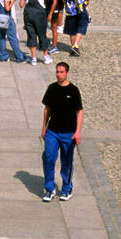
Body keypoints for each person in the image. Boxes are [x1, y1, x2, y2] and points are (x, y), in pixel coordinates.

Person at [41, 62, 83, 201]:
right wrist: (44, 128)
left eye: (61, 72)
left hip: (68, 133)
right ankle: (49, 189)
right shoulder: (52, 88)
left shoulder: (73, 90)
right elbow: (47, 109)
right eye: (57, 72)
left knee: (66, 161)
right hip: (52, 131)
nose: (59, 74)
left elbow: (79, 111)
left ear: (67, 73)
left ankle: (66, 188)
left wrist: (77, 132)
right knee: (48, 158)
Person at [19, 0, 52, 64]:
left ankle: (34, 58)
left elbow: (21, 5)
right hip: (40, 15)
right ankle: (45, 56)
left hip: (29, 15)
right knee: (42, 35)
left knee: (31, 35)